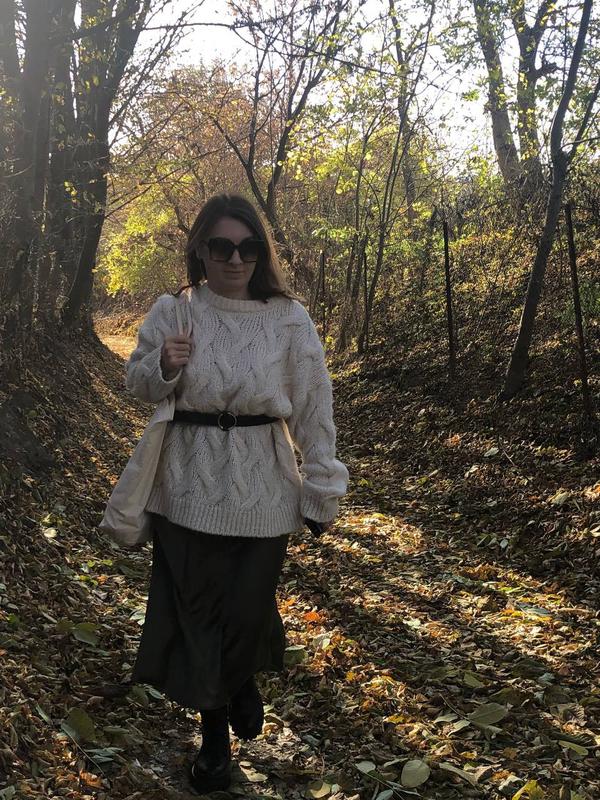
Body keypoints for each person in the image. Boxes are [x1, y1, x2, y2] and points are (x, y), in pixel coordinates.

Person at [124, 193, 348, 794]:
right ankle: (215, 741)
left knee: (247, 611)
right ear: (201, 248)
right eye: (221, 246)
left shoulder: (288, 317)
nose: (234, 259)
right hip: (185, 487)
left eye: (247, 248)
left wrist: (323, 483)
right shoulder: (175, 310)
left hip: (264, 489)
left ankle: (242, 677)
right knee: (199, 615)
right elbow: (137, 384)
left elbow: (313, 405)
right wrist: (164, 365)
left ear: (260, 253)